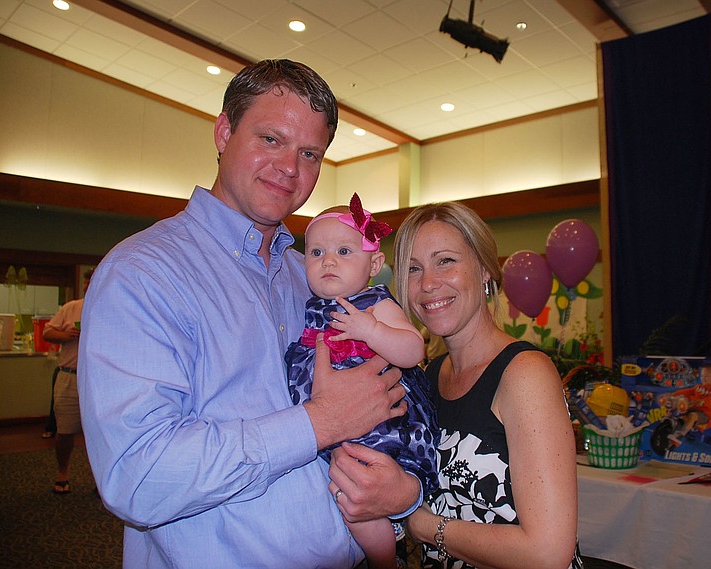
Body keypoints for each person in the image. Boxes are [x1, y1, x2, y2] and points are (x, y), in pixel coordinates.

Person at [78, 59, 421, 568]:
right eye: (270, 138)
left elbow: (386, 396)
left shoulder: (308, 273)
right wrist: (319, 422)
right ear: (223, 131)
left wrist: (404, 493)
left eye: (310, 152)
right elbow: (138, 477)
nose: (290, 167)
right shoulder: (142, 273)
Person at [393, 202, 582, 569]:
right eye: (413, 269)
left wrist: (423, 525)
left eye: (445, 261)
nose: (428, 283)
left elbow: (547, 554)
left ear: (483, 269)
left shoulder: (524, 374)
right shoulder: (428, 377)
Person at [286, 193, 439, 569]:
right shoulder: (311, 308)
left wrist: (371, 330)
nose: (329, 261)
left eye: (343, 251)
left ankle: (385, 560)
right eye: (316, 253)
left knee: (356, 493)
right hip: (330, 425)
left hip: (378, 425)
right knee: (343, 492)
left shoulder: (375, 303)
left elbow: (412, 350)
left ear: (374, 263)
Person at [43, 267, 93, 494]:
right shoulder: (71, 308)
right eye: (86, 283)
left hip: (98, 382)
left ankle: (101, 481)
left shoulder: (114, 309)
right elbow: (47, 333)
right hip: (69, 376)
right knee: (64, 431)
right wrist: (67, 335)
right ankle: (63, 471)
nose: (87, 287)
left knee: (100, 433)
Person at [664, 364, 711, 447]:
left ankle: (680, 436)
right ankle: (669, 420)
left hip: (705, 414)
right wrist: (674, 394)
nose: (703, 378)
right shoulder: (698, 387)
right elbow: (687, 391)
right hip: (692, 408)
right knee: (677, 407)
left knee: (692, 415)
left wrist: (703, 401)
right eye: (702, 376)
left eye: (707, 376)